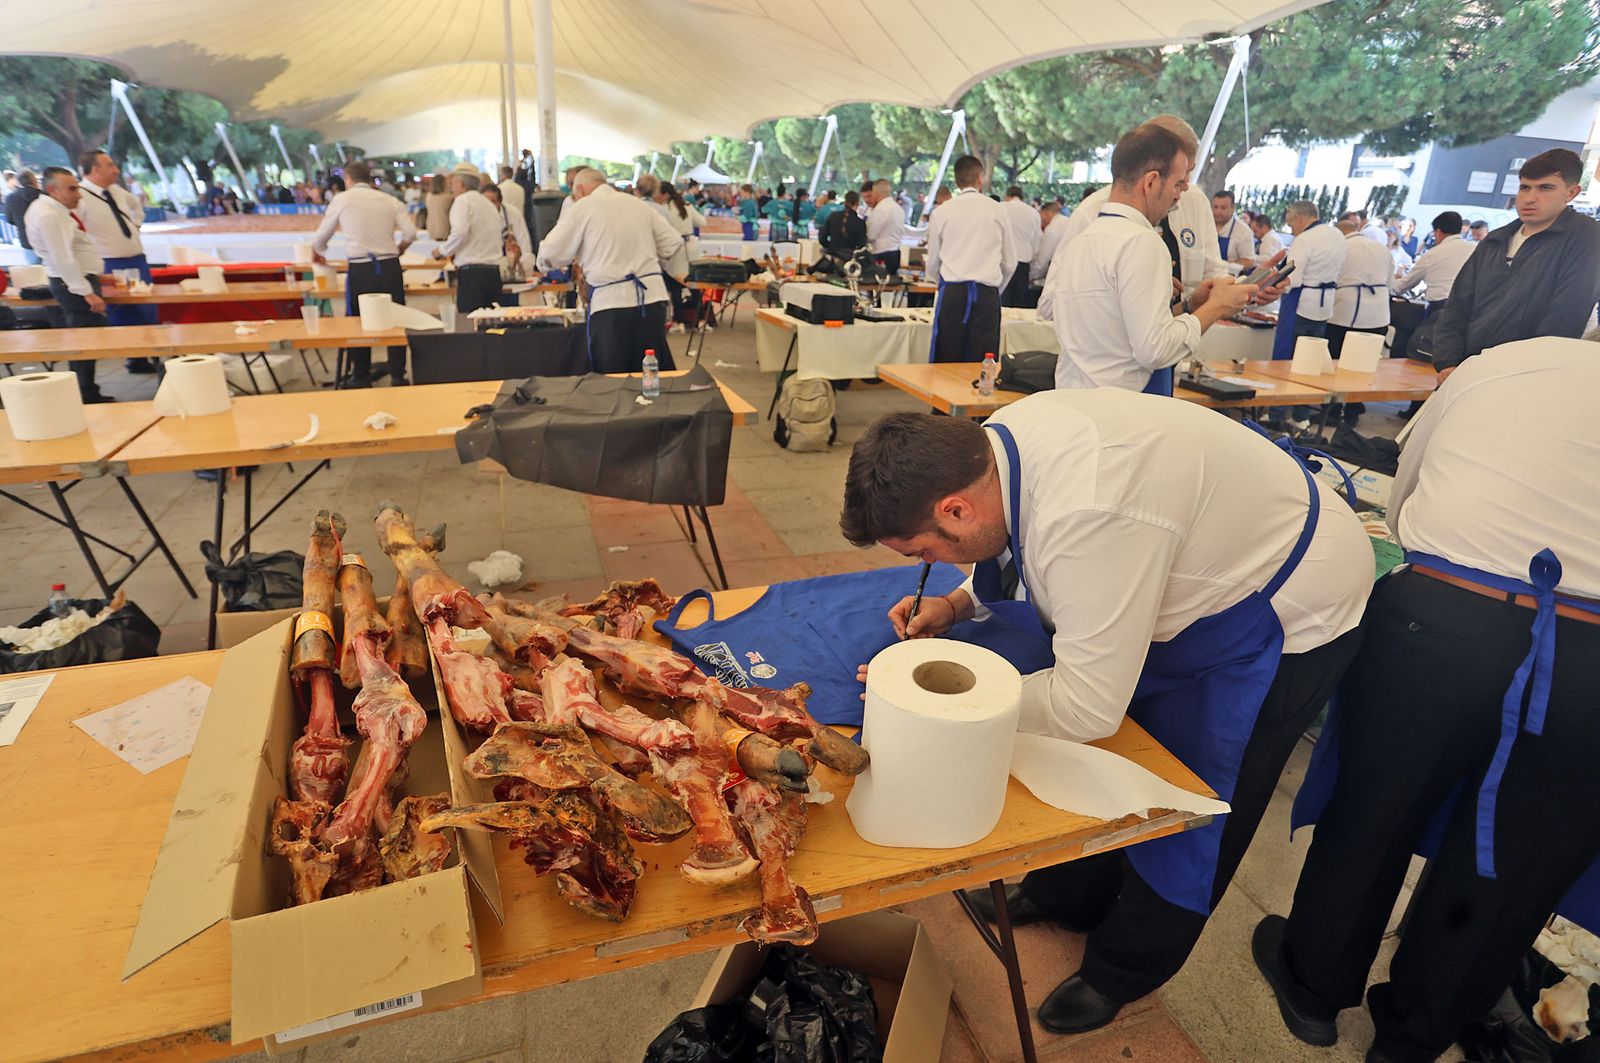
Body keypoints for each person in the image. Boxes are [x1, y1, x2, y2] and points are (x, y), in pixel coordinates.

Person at [840, 390, 1371, 1035]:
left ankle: (1122, 969)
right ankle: (1065, 893)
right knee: (1097, 746)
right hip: (1177, 554)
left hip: (1284, 607)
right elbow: (1019, 549)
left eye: (922, 553)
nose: (927, 567)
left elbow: (1086, 705)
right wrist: (954, 605)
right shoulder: (988, 448)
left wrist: (944, 709)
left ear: (955, 507)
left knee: (1193, 798)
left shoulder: (1092, 512)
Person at [1255, 337, 1600, 1063]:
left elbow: (1405, 489)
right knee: (1513, 866)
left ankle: (1314, 987)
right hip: (1590, 662)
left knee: (1373, 814)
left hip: (1445, 619)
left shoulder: (1506, 360)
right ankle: (1412, 1035)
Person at [1047, 125, 1255, 394]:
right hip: (1122, 409)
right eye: (1179, 184)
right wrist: (1215, 307)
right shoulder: (1142, 241)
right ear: (1152, 182)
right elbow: (1154, 350)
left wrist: (1191, 305)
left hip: (1077, 397)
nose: (1179, 196)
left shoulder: (1084, 238)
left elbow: (1117, 331)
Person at [1430, 149, 1600, 379]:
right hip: (1466, 370)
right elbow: (1457, 306)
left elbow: (1566, 316)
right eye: (1525, 187)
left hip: (1522, 377)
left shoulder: (1585, 235)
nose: (1530, 197)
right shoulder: (1495, 240)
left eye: (1545, 188)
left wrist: (1522, 374)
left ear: (1571, 192)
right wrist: (1447, 362)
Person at [1043, 115, 1228, 309]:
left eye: (1189, 171)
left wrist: (1241, 291)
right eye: (1178, 177)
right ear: (1152, 177)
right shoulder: (1091, 212)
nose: (1185, 186)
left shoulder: (1196, 202)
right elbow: (1049, 304)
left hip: (1185, 332)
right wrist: (1131, 288)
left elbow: (1214, 272)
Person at [536, 168, 685, 373]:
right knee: (649, 374)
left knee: (611, 377)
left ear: (580, 189)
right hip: (651, 299)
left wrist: (544, 265)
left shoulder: (582, 208)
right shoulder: (637, 204)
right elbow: (673, 242)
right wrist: (646, 259)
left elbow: (550, 253)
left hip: (611, 304)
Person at [311, 160, 418, 386]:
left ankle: (361, 375)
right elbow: (410, 232)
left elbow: (320, 238)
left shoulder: (342, 200)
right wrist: (400, 248)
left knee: (358, 321)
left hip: (361, 267)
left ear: (348, 179)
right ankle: (398, 374)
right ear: (370, 179)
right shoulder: (390, 200)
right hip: (389, 266)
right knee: (395, 318)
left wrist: (319, 252)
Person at [24, 168, 113, 402]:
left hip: (75, 281)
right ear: (53, 190)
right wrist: (87, 292)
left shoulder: (53, 210)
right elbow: (61, 257)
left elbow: (69, 252)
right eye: (72, 189)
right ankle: (86, 393)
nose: (79, 195)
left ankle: (86, 390)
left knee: (86, 340)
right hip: (72, 285)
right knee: (84, 342)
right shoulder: (49, 214)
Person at [924, 156, 1013, 364]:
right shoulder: (997, 209)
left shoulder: (942, 211)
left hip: (953, 293)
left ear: (956, 181)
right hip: (986, 294)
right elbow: (1010, 263)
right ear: (980, 178)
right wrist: (995, 290)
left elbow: (933, 263)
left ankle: (944, 396)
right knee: (983, 360)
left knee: (946, 357)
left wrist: (941, 284)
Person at [76, 150, 159, 371]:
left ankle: (152, 354)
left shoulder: (115, 191)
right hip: (110, 262)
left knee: (147, 309)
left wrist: (136, 224)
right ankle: (134, 357)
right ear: (95, 169)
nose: (116, 170)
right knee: (123, 312)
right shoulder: (80, 196)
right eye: (110, 165)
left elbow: (136, 205)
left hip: (136, 259)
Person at [1389, 210, 1474, 361]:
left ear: (1438, 231)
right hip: (1471, 310)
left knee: (1425, 353)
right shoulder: (1475, 249)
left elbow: (1403, 286)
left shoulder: (1433, 254)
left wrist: (1387, 282)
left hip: (1440, 309)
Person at [1270, 200, 1347, 360]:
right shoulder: (1337, 235)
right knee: (1311, 358)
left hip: (1300, 304)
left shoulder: (1304, 238)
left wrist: (1273, 284)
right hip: (1325, 305)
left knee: (1288, 357)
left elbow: (1294, 278)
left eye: (1291, 226)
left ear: (1298, 218)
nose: (1292, 232)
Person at [431, 169, 505, 314]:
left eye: (452, 184)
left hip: (473, 274)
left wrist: (441, 251)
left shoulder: (463, 201)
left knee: (470, 324)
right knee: (491, 324)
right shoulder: (487, 203)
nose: (451, 189)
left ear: (461, 184)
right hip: (493, 273)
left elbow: (460, 232)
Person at [1326, 216, 1393, 357]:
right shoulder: (1383, 249)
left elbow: (1329, 278)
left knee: (1336, 359)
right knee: (1366, 361)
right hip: (1378, 315)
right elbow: (1390, 284)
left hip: (1344, 313)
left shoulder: (1340, 247)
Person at [654, 181, 705, 331]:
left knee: (674, 284)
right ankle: (701, 320)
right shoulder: (687, 206)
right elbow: (702, 221)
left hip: (675, 248)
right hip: (692, 247)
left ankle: (678, 321)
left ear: (665, 194)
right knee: (694, 284)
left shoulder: (663, 209)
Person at [480, 182, 534, 279]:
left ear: (500, 202)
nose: (488, 206)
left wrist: (521, 268)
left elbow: (525, 247)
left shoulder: (513, 214)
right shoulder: (477, 216)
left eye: (492, 201)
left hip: (511, 268)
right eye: (485, 202)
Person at [999, 186, 1040, 307]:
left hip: (1002, 262)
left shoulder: (1000, 208)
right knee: (1018, 309)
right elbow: (1036, 244)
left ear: (1007, 196)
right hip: (1022, 266)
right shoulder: (1033, 213)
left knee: (1001, 305)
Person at [865, 178, 907, 275]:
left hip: (881, 253)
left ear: (876, 192)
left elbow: (871, 235)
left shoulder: (880, 209)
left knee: (877, 284)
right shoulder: (898, 208)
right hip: (895, 252)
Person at [1027, 200, 1066, 300]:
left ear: (1046, 213)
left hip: (1059, 279)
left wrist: (1028, 277)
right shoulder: (1066, 221)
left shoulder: (1052, 229)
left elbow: (1041, 263)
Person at [4, 169, 42, 264]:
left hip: (26, 240)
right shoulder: (42, 195)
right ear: (34, 180)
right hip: (44, 239)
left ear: (19, 181)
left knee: (35, 271)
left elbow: (9, 219)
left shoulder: (10, 198)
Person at [820, 189, 867, 259]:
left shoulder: (832, 216)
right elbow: (862, 244)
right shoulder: (859, 222)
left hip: (833, 256)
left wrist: (830, 247)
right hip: (849, 257)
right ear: (857, 204)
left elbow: (822, 238)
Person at [1212, 190, 1251, 264]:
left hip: (1229, 274)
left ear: (1232, 208)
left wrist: (1225, 266)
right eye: (1215, 207)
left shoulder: (1243, 231)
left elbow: (1248, 261)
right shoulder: (1205, 224)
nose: (1218, 211)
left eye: (1223, 208)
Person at [423, 173, 453, 241]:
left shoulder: (428, 196)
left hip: (431, 229)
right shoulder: (448, 198)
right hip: (444, 230)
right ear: (443, 184)